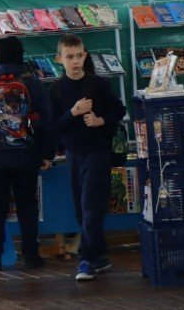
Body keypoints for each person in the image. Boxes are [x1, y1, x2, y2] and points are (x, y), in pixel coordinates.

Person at [0, 36, 53, 272]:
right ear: (20, 57)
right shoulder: (32, 82)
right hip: (26, 155)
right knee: (27, 204)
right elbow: (46, 120)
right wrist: (46, 153)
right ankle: (31, 255)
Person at [49, 34, 125, 281]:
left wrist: (100, 120)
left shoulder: (98, 84)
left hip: (98, 151)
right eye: (69, 57)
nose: (75, 61)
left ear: (85, 55)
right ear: (60, 59)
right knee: (83, 208)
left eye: (79, 56)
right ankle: (100, 255)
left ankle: (86, 259)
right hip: (73, 153)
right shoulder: (56, 90)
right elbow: (54, 126)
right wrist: (73, 112)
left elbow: (119, 109)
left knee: (91, 204)